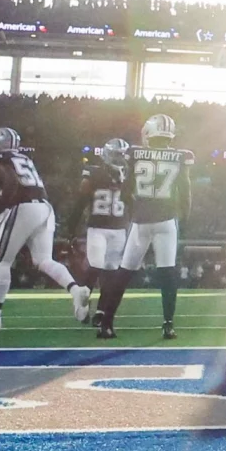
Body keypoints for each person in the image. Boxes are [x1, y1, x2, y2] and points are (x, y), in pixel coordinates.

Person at [0, 126, 89, 330]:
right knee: (44, 260)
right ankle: (75, 290)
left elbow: (10, 185)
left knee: (2, 262)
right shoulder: (24, 159)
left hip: (23, 207)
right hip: (44, 207)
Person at [100, 114, 192, 340]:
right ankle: (168, 325)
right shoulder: (181, 156)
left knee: (124, 272)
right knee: (167, 273)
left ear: (150, 132)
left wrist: (134, 209)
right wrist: (186, 219)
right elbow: (186, 192)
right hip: (166, 221)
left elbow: (125, 190)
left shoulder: (134, 153)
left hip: (141, 221)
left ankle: (107, 323)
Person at [76, 138, 131, 326]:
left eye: (122, 155)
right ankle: (82, 300)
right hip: (98, 227)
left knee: (111, 272)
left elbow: (133, 203)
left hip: (119, 228)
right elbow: (81, 199)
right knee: (95, 265)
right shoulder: (94, 172)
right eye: (116, 155)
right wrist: (72, 224)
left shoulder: (130, 175)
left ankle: (100, 311)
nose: (120, 159)